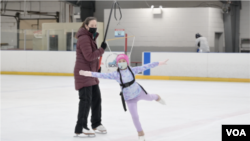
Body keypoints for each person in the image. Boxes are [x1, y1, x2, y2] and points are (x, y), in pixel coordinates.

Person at [79, 54, 168, 141]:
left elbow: (147, 66)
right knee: (135, 116)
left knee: (150, 98)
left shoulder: (133, 70)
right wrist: (89, 73)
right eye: (120, 61)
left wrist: (159, 63)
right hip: (130, 99)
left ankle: (157, 97)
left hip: (139, 92)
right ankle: (140, 133)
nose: (122, 63)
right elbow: (102, 75)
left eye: (123, 61)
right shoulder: (116, 74)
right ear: (117, 64)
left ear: (127, 62)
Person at [74, 17, 107, 137]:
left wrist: (97, 68)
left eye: (95, 25)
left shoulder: (91, 38)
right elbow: (88, 56)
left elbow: (91, 59)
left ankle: (96, 123)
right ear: (86, 26)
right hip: (84, 74)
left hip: (91, 74)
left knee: (96, 99)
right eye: (92, 25)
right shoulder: (84, 38)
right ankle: (81, 126)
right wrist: (101, 50)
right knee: (85, 100)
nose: (94, 27)